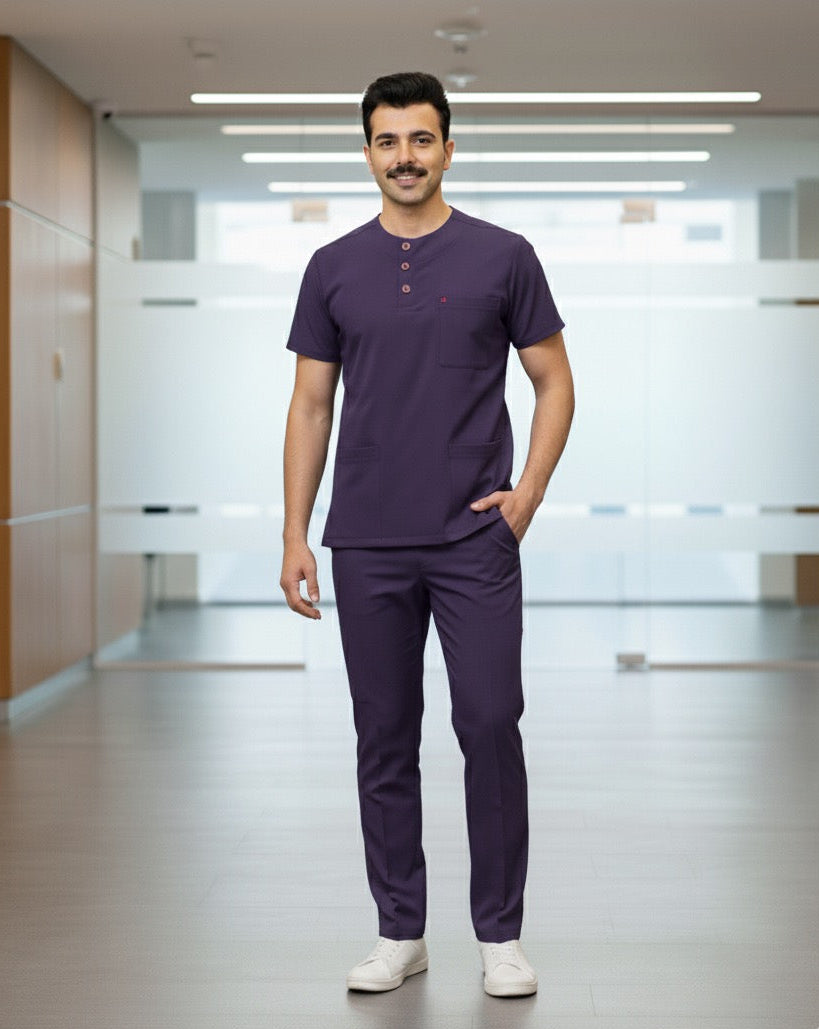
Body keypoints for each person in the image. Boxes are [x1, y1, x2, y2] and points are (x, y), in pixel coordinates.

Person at [280, 71, 574, 997]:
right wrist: (294, 530)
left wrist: (526, 492)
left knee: (489, 723)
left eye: (418, 139)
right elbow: (310, 403)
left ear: (448, 148)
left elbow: (554, 381)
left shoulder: (503, 255)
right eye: (384, 140)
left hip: (472, 536)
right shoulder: (331, 266)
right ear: (366, 152)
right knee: (383, 734)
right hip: (365, 537)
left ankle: (499, 934)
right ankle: (399, 928)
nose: (402, 156)